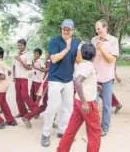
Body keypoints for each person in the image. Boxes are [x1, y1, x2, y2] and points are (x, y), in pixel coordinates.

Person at [41, 19, 82, 147]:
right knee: (53, 106)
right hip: (55, 79)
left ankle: (62, 130)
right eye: (64, 28)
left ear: (72, 30)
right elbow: (53, 59)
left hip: (69, 80)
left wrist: (79, 49)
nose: (66, 31)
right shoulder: (55, 41)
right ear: (61, 28)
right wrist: (66, 49)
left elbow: (79, 61)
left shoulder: (76, 43)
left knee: (68, 107)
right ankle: (45, 133)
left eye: (68, 29)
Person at [57, 43, 101, 152]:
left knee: (71, 129)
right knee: (95, 132)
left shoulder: (80, 64)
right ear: (94, 55)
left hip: (77, 101)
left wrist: (95, 86)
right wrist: (85, 103)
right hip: (87, 103)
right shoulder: (89, 66)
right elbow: (78, 82)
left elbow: (83, 81)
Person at [92, 19, 119, 137]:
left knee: (107, 105)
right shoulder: (93, 40)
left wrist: (101, 48)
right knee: (93, 103)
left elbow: (111, 59)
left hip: (107, 78)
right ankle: (94, 126)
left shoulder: (113, 41)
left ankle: (105, 127)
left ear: (105, 27)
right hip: (94, 77)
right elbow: (90, 56)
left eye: (99, 28)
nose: (97, 31)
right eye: (96, 29)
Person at [13, 39, 33, 118]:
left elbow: (28, 68)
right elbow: (14, 66)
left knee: (25, 95)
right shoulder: (16, 54)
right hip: (17, 78)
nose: (19, 47)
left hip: (24, 78)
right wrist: (14, 76)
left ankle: (35, 110)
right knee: (18, 97)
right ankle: (22, 112)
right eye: (18, 45)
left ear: (25, 46)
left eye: (20, 45)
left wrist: (20, 60)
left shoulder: (28, 55)